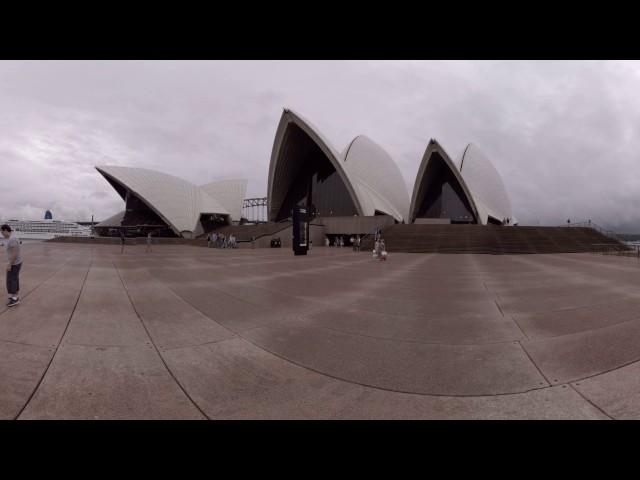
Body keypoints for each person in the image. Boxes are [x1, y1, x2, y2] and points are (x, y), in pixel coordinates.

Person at [1, 224, 22, 307]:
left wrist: (10, 264)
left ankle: (15, 298)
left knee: (12, 280)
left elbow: (15, 253)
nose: (2, 234)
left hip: (14, 263)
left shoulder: (12, 239)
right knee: (14, 279)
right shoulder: (13, 237)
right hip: (16, 262)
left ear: (6, 230)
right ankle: (15, 296)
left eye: (2, 232)